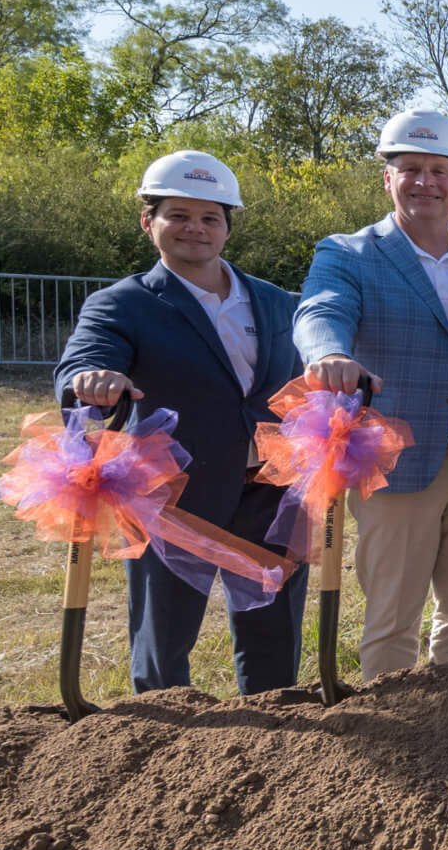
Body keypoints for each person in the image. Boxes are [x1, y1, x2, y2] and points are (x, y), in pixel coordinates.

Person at [51, 150, 309, 693]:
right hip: (171, 495)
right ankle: (165, 734)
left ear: (227, 228)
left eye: (210, 217)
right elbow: (82, 362)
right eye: (179, 215)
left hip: (269, 487)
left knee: (274, 621)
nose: (196, 228)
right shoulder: (122, 304)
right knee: (164, 628)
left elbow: (302, 378)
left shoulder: (277, 302)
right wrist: (91, 381)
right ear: (150, 222)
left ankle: (277, 723)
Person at [293, 107, 448, 677]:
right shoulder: (349, 253)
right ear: (387, 177)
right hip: (395, 463)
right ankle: (397, 732)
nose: (425, 181)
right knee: (392, 615)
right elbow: (320, 308)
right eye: (410, 169)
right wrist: (328, 352)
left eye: (439, 170)